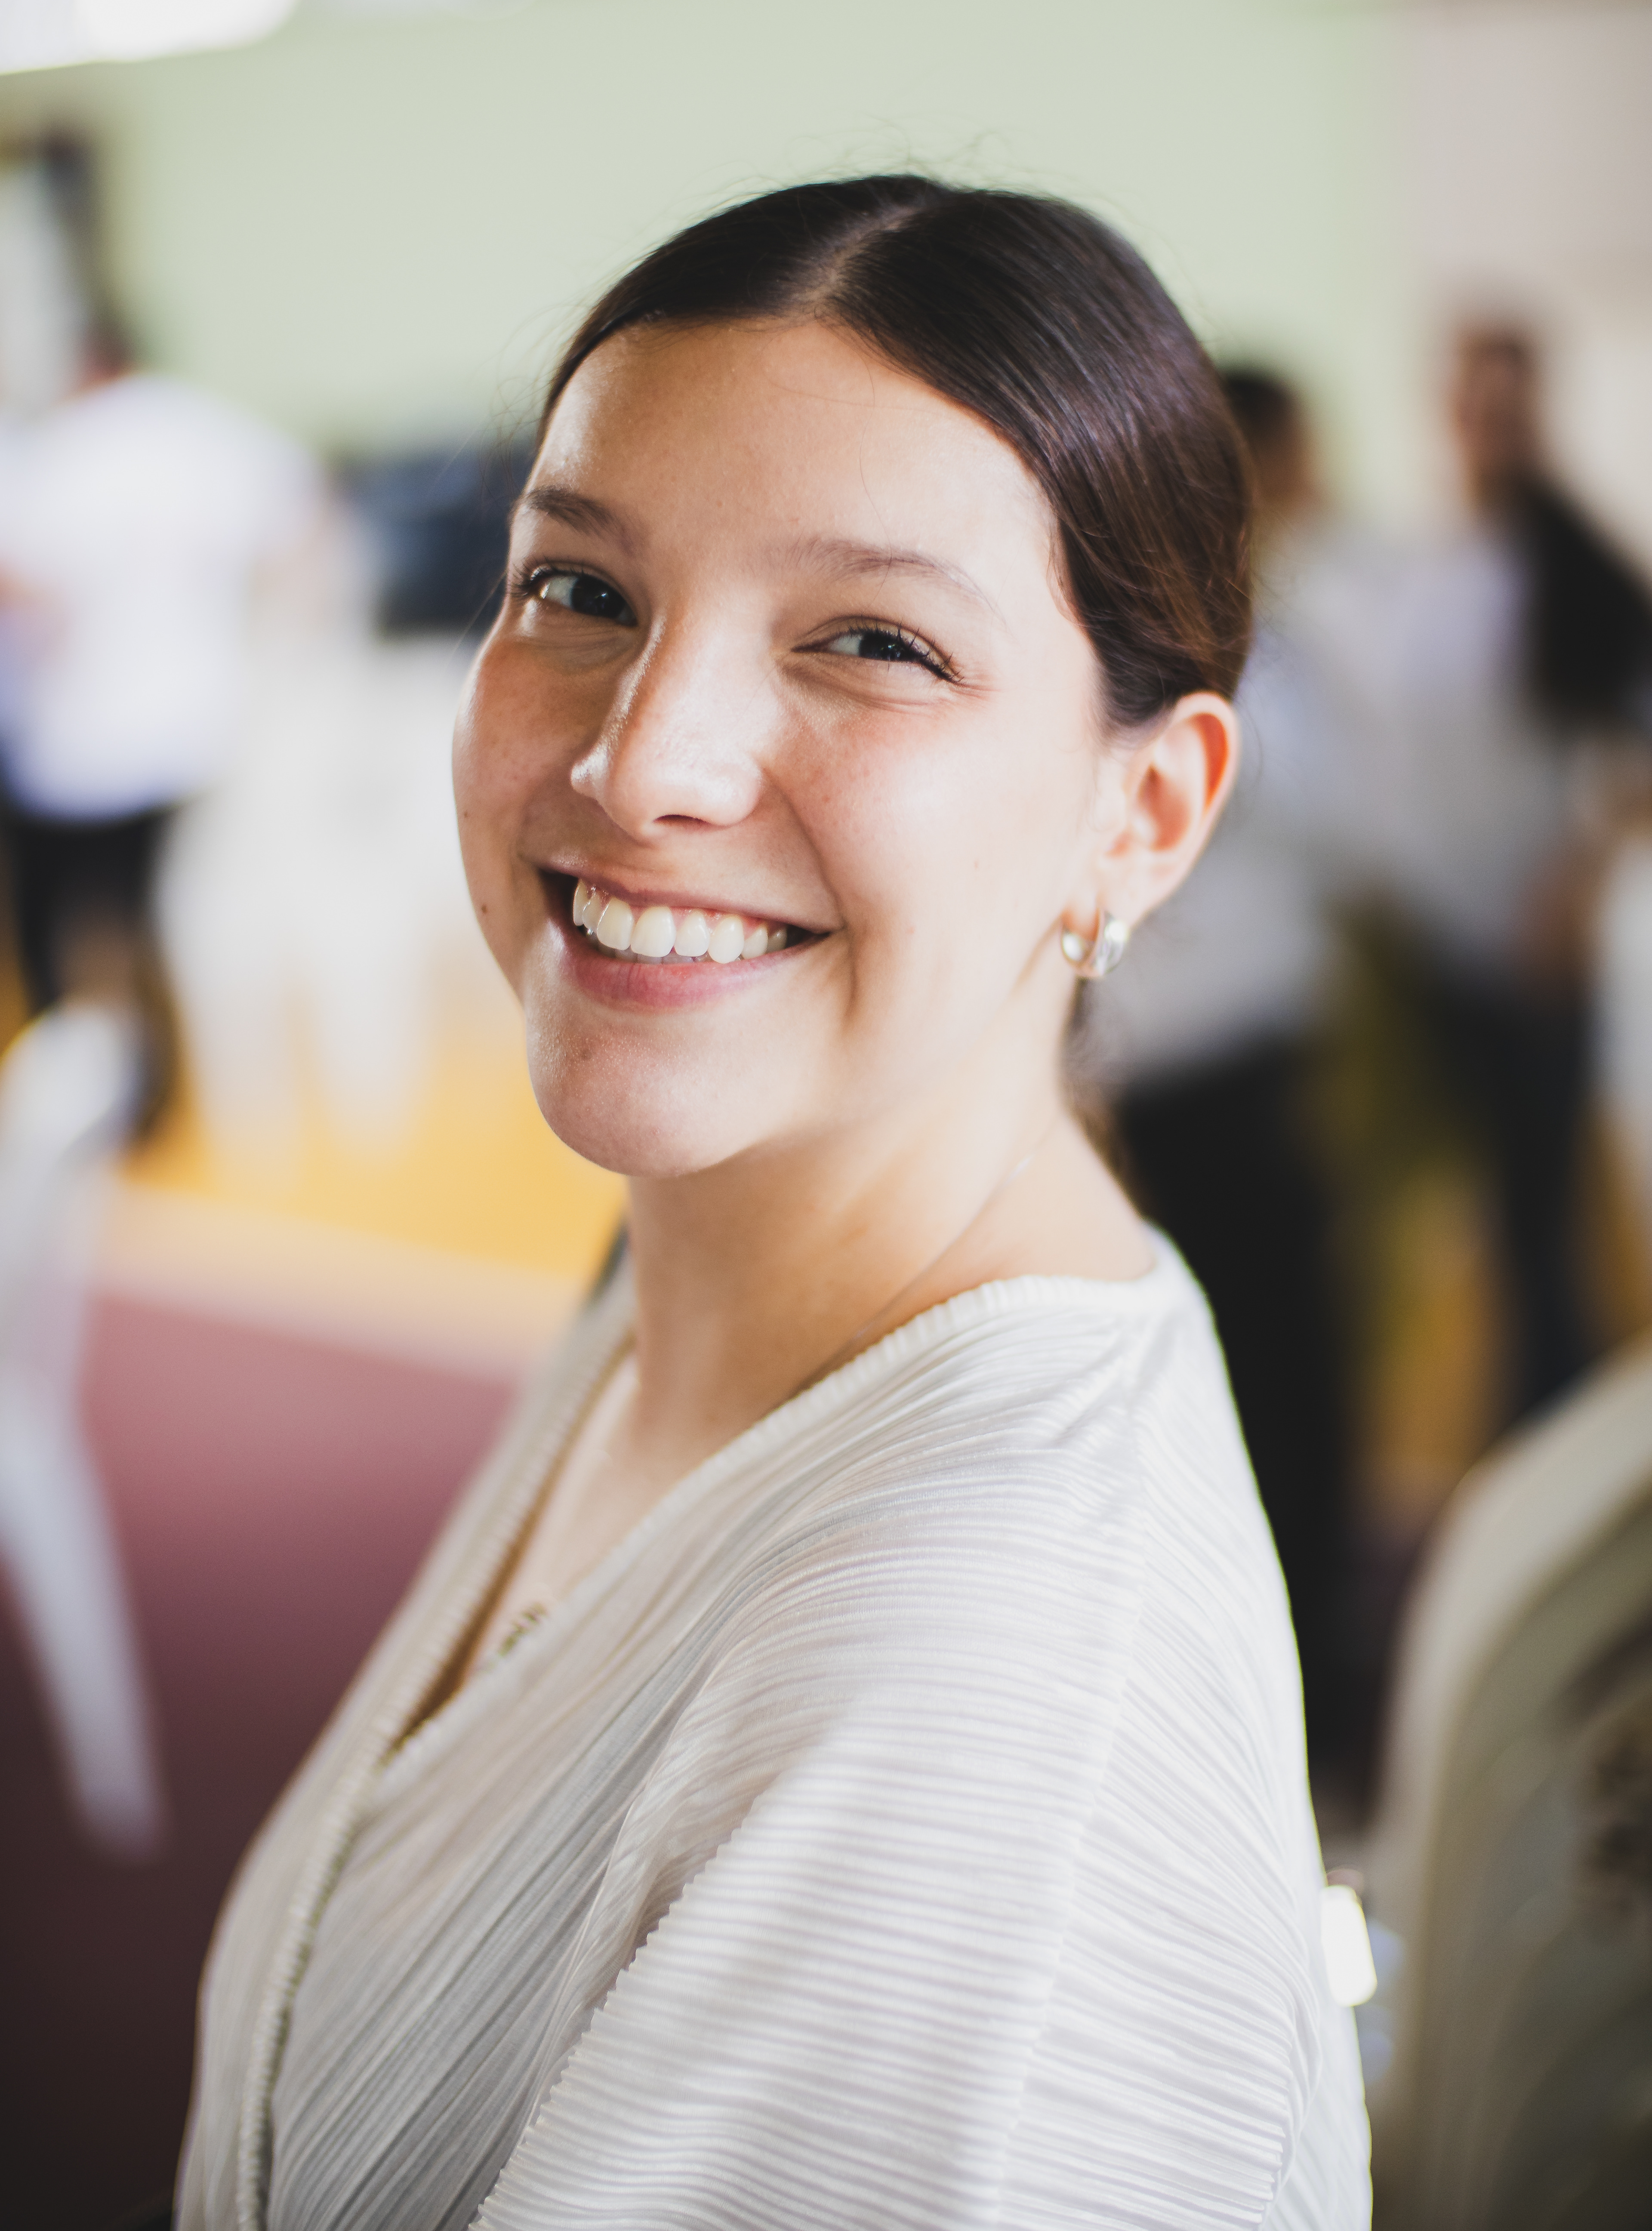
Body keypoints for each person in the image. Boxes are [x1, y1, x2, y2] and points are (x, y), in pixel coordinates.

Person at [178, 179, 1371, 2230]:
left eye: (875, 643)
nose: (647, 761)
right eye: (580, 589)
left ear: (1144, 811)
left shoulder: (994, 1729)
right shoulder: (683, 1281)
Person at [1093, 368, 1381, 1766]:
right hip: (1197, 1069)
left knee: (1292, 1378)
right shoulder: (1195, 649)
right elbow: (1328, 810)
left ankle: (1303, 1673)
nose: (1321, 484)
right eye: (1300, 457)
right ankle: (1287, 1694)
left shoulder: (1275, 629)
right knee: (1267, 1384)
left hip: (1241, 1055)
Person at [1371, 325, 1652, 1425]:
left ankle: (1561, 1431)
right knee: (1473, 1217)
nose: (1486, 427)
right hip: (1437, 945)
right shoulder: (1429, 569)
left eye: (1505, 407)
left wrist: (1574, 890)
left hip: (1536, 950)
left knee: (1545, 1215)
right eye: (1469, 404)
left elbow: (1634, 762)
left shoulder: (1579, 571)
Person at [0, 314, 324, 1108]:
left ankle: (78, 1095)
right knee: (159, 921)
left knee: (56, 928)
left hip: (80, 749)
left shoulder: (62, 453)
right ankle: (160, 1091)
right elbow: (303, 526)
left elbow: (26, 586)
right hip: (197, 734)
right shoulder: (202, 430)